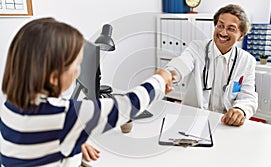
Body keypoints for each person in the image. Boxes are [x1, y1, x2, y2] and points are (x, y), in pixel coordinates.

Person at [0, 17, 173, 167]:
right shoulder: (63, 117)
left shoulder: (10, 106)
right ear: (54, 77)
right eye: (76, 66)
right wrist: (160, 78)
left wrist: (71, 142)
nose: (78, 72)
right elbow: (128, 105)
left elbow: (35, 146)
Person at [165, 4, 258, 126]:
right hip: (193, 120)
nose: (223, 32)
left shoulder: (247, 61)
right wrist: (167, 74)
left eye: (231, 28)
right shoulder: (196, 48)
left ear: (241, 35)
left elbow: (248, 96)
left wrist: (240, 110)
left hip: (224, 123)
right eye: (220, 26)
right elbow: (182, 63)